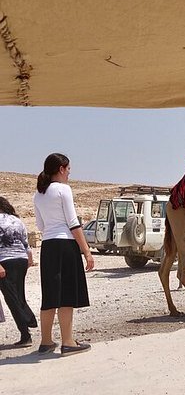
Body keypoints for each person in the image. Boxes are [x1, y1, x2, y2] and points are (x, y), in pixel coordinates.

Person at [33, 153, 94, 356]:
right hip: (65, 245)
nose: (69, 173)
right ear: (61, 169)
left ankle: (46, 341)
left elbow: (41, 226)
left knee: (50, 295)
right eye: (68, 169)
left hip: (48, 246)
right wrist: (86, 251)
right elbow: (73, 223)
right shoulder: (63, 190)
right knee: (66, 294)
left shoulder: (38, 194)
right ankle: (68, 342)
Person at [0, 196, 37, 347]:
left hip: (4, 261)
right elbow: (25, 243)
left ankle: (27, 327)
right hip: (21, 260)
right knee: (19, 294)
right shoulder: (18, 221)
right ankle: (27, 328)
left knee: (11, 298)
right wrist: (29, 259)